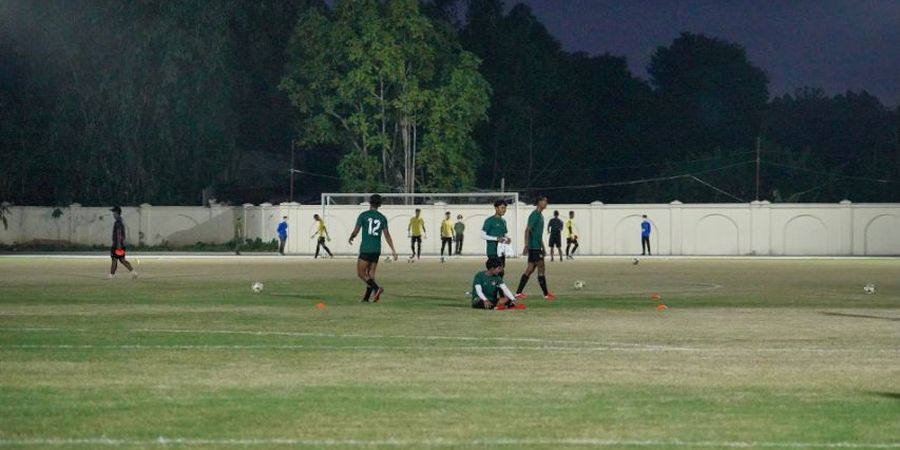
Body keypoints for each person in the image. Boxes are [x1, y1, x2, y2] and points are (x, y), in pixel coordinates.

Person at [349, 194, 398, 302]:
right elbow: (387, 235)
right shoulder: (382, 218)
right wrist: (393, 250)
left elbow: (356, 231)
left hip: (366, 248)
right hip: (376, 248)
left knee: (361, 273)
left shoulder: (363, 215)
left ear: (370, 203)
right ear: (380, 204)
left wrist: (351, 237)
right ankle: (366, 298)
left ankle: (377, 289)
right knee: (371, 274)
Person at [515, 196, 555, 300]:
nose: (546, 203)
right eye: (544, 201)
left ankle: (518, 293)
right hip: (534, 248)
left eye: (547, 201)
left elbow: (537, 234)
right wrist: (526, 245)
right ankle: (546, 294)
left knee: (529, 269)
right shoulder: (535, 215)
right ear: (539, 202)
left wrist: (543, 247)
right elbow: (527, 230)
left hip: (537, 247)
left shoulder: (540, 216)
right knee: (541, 267)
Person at [482, 199, 511, 276]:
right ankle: (489, 286)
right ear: (496, 208)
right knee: (494, 271)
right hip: (492, 251)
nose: (504, 210)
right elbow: (483, 235)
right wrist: (496, 239)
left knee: (501, 270)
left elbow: (505, 234)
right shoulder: (489, 221)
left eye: (505, 208)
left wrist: (508, 238)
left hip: (501, 251)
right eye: (502, 208)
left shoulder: (503, 221)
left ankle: (498, 287)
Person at [108, 206, 137, 280]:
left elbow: (119, 233)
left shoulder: (118, 222)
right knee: (122, 260)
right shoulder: (121, 221)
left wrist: (118, 244)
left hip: (117, 244)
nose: (113, 214)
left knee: (114, 259)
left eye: (113, 212)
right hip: (121, 244)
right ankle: (133, 272)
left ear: (117, 213)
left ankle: (111, 275)